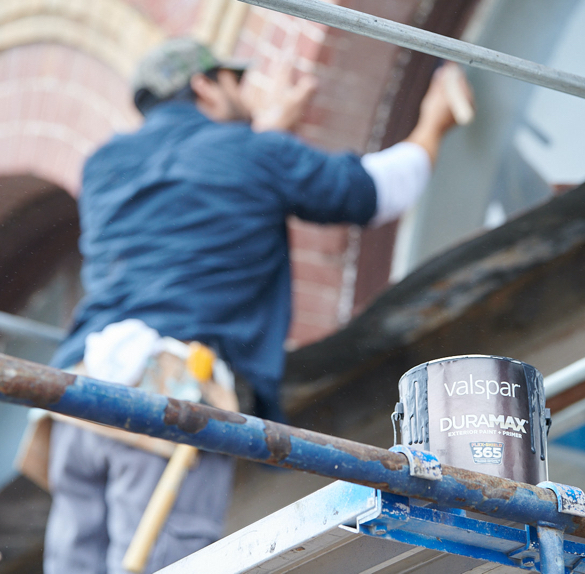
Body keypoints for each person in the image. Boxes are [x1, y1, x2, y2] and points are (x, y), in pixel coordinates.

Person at [42, 37, 471, 574]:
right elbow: (379, 190)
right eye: (235, 81)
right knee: (166, 563)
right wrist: (432, 123)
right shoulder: (254, 153)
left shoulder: (105, 164)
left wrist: (259, 138)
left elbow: (199, 182)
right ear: (204, 85)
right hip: (167, 395)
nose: (245, 93)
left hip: (79, 399)